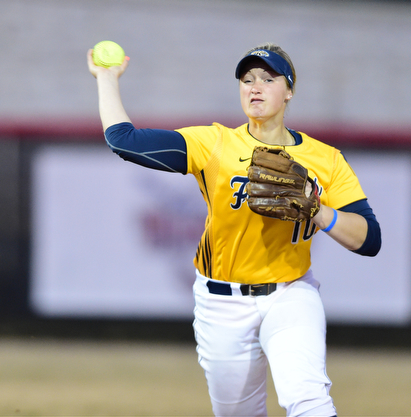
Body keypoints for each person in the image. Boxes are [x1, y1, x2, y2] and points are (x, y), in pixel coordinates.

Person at [87, 42, 381, 416]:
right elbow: (123, 141)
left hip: (290, 294)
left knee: (308, 399)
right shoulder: (215, 143)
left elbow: (369, 239)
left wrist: (319, 212)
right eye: (246, 79)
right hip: (221, 303)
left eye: (267, 78)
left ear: (289, 90)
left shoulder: (325, 160)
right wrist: (107, 78)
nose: (254, 86)